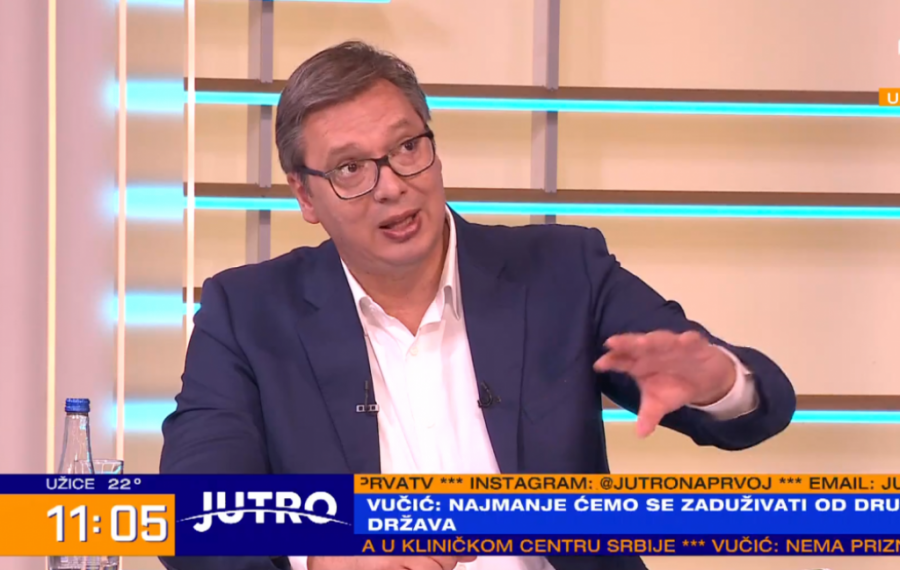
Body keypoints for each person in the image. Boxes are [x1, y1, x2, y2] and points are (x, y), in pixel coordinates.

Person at [159, 41, 796, 570]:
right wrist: (316, 556)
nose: (391, 186)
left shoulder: (561, 272)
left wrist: (719, 383)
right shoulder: (248, 313)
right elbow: (187, 513)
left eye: (407, 148)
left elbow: (753, 410)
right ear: (304, 195)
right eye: (350, 169)